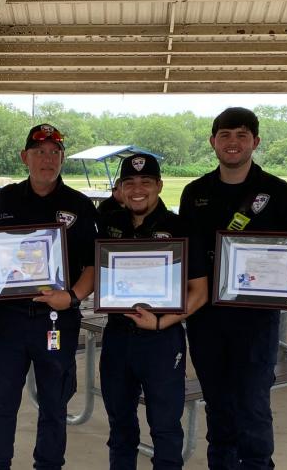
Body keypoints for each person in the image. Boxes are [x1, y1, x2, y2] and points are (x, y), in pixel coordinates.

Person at [178, 107, 287, 469]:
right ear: (213, 141)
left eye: (242, 135)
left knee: (253, 404)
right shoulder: (194, 193)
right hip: (206, 318)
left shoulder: (277, 192)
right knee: (218, 404)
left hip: (256, 320)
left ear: (255, 142)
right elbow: (182, 253)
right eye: (225, 135)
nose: (233, 142)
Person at [0, 123, 99, 470]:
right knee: (0, 403)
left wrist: (73, 297)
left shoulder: (79, 205)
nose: (47, 159)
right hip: (9, 321)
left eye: (54, 153)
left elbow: (93, 264)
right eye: (39, 152)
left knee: (54, 404)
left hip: (57, 320)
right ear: (24, 157)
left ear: (62, 158)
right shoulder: (5, 199)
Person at [96, 154, 208, 470]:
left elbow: (198, 293)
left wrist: (160, 323)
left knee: (165, 427)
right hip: (117, 338)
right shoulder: (109, 225)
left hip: (162, 340)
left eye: (146, 182)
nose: (137, 189)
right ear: (119, 188)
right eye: (129, 183)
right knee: (120, 427)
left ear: (158, 185)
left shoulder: (180, 227)